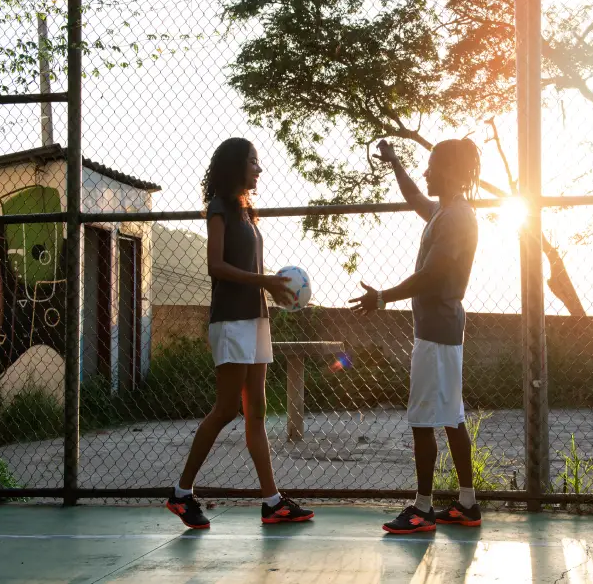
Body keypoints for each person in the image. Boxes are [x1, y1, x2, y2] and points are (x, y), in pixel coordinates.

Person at [166, 138, 314, 529]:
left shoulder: (248, 212)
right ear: (235, 165)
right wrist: (264, 280)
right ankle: (181, 494)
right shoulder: (219, 209)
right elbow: (216, 266)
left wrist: (284, 296)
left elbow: (258, 274)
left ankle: (272, 502)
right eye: (252, 162)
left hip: (256, 319)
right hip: (230, 320)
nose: (259, 169)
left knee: (257, 413)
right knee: (227, 408)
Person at [350, 138, 482, 534]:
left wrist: (383, 296)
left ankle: (423, 509)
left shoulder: (457, 217)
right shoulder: (445, 211)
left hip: (437, 331)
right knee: (451, 416)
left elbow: (434, 274)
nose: (425, 173)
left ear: (452, 172)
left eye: (432, 166)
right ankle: (466, 504)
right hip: (440, 328)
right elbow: (413, 197)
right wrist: (395, 163)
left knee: (424, 419)